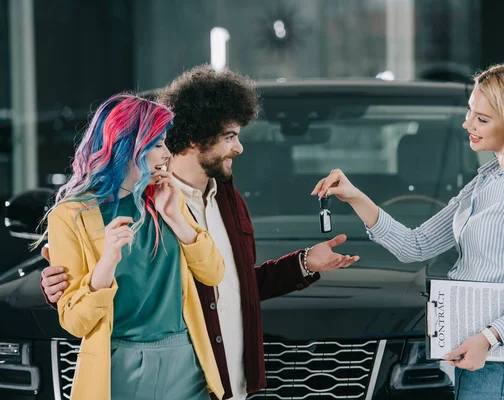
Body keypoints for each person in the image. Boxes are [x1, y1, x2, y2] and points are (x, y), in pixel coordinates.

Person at [40, 65, 359, 400]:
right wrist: (83, 273)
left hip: (202, 371)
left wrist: (304, 263)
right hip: (123, 365)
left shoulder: (206, 201)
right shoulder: (96, 209)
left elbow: (229, 279)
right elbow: (77, 311)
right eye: (230, 136)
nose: (239, 148)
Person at [311, 63, 504, 400]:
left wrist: (488, 338)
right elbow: (416, 245)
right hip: (477, 350)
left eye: (482, 119)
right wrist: (355, 196)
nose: (467, 123)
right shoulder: (485, 180)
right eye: (470, 111)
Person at [40, 93, 226, 400]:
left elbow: (214, 273)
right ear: (127, 147)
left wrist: (175, 217)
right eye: (157, 144)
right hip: (117, 365)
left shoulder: (168, 196)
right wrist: (106, 263)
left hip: (185, 359)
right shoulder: (69, 216)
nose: (167, 153)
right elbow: (75, 322)